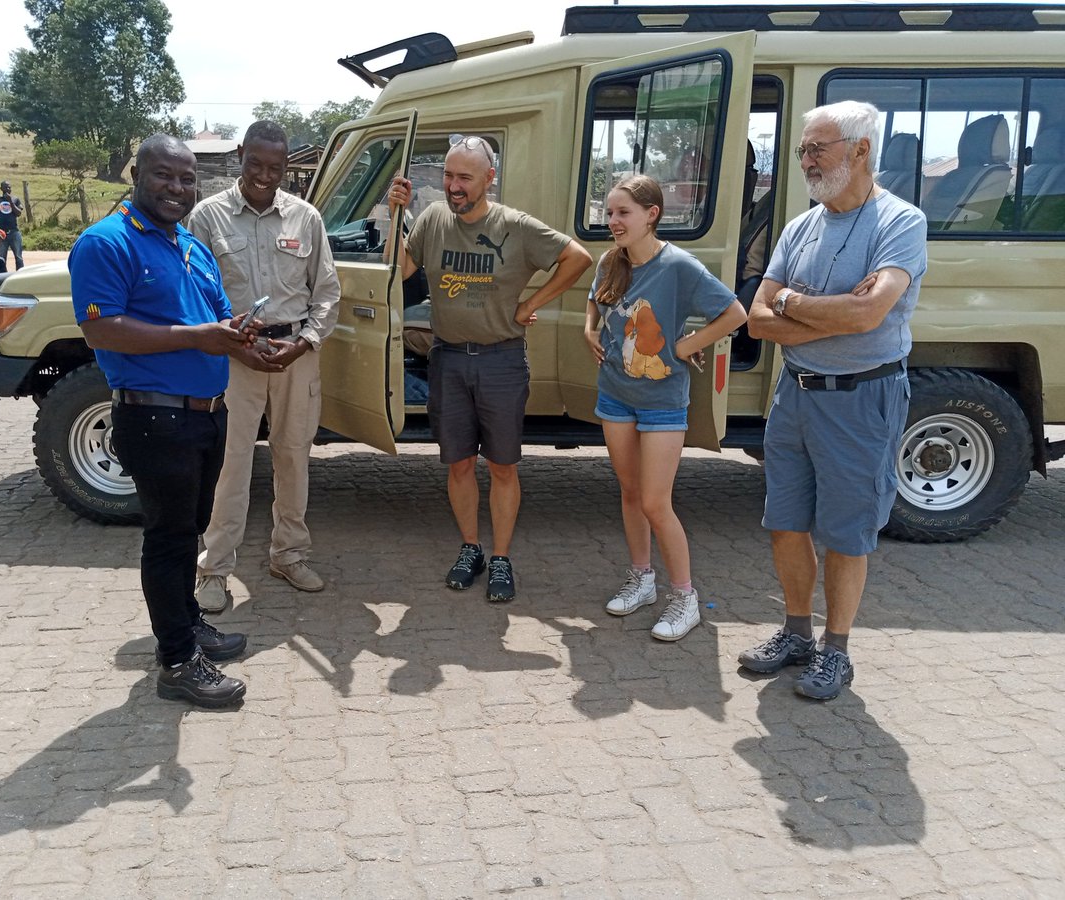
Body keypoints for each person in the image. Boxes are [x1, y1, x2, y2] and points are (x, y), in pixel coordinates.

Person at [68, 133, 272, 709]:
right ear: (137, 173)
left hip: (208, 416)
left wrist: (241, 338)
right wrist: (199, 337)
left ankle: (188, 627)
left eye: (187, 180)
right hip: (154, 418)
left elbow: (210, 322)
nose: (177, 189)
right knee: (168, 539)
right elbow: (102, 329)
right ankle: (178, 662)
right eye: (164, 176)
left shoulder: (189, 244)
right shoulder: (106, 243)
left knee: (191, 532)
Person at [739, 101, 927, 700]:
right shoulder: (801, 226)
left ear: (861, 150)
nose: (806, 161)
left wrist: (798, 302)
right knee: (785, 523)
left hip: (861, 398)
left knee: (847, 535)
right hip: (794, 395)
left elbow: (872, 312)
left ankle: (836, 651)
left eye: (817, 148)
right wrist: (832, 314)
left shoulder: (900, 223)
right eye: (802, 150)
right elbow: (758, 320)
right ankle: (797, 635)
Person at [387, 135, 592, 602]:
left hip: (501, 360)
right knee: (458, 464)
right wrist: (395, 217)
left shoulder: (514, 226)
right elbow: (397, 271)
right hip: (449, 358)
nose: (454, 187)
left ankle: (501, 557)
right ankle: (471, 548)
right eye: (448, 176)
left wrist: (530, 303)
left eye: (464, 178)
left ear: (488, 179)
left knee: (502, 466)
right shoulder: (434, 219)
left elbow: (577, 257)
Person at [584, 175, 747, 640]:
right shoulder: (610, 262)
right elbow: (594, 302)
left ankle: (685, 598)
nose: (612, 221)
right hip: (615, 394)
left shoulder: (678, 266)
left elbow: (735, 314)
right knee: (630, 494)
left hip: (662, 403)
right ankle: (642, 579)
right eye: (610, 213)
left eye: (623, 213)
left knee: (656, 502)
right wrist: (589, 329)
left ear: (651, 214)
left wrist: (686, 344)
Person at [189, 120, 341, 612]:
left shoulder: (306, 219)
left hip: (294, 356)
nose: (264, 176)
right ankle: (214, 569)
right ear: (240, 156)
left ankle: (289, 554)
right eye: (255, 164)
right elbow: (194, 296)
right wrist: (234, 344)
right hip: (236, 356)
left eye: (275, 168)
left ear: (285, 167)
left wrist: (306, 342)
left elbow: (327, 293)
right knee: (230, 466)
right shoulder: (207, 218)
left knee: (294, 457)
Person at [0, 181, 24, 270]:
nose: (8, 189)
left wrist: (11, 202)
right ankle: (3, 277)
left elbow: (18, 213)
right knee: (2, 258)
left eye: (9, 187)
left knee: (18, 257)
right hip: (2, 233)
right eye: (5, 187)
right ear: (1, 189)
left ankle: (20, 275)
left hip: (14, 231)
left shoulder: (15, 199)